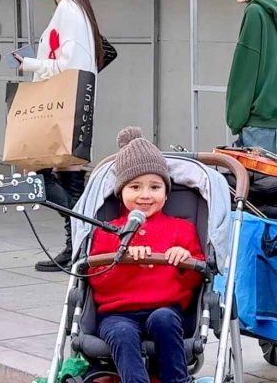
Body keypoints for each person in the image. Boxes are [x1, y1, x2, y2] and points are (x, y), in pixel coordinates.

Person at [87, 126, 205, 383]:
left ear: (166, 192)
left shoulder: (181, 228)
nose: (145, 195)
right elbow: (95, 277)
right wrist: (122, 258)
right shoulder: (109, 231)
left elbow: (198, 279)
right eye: (135, 187)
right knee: (121, 333)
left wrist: (183, 260)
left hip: (166, 308)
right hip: (116, 313)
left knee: (164, 319)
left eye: (155, 187)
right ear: (121, 191)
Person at [13, 0, 103, 272]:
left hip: (61, 105)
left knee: (40, 175)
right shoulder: (75, 9)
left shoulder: (69, 9)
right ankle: (79, 245)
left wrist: (27, 63)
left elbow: (67, 64)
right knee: (69, 177)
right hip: (71, 106)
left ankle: (80, 241)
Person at [226, 0, 277, 160]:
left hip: (258, 127)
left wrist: (235, 119)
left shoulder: (254, 12)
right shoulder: (274, 15)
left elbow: (245, 70)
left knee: (255, 185)